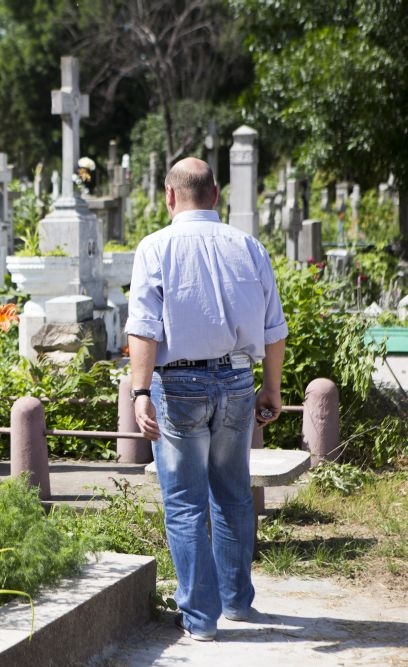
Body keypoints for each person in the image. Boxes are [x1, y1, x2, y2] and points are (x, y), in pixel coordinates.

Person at [125, 157, 288, 641]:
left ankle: (200, 619)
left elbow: (144, 328)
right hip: (238, 381)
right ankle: (237, 601)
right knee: (233, 494)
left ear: (170, 197)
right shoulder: (249, 247)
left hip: (178, 386)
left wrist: (139, 392)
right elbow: (273, 327)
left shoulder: (154, 247)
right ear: (216, 195)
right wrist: (272, 387)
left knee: (184, 502)